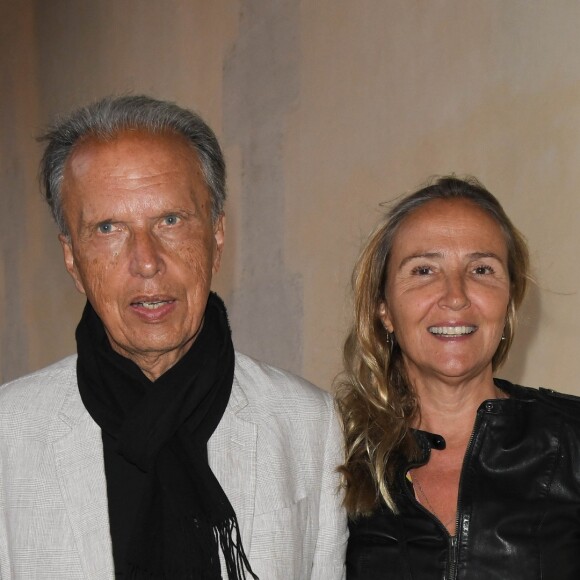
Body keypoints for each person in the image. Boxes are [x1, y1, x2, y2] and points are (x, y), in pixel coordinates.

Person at [0, 95, 347, 580]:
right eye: (108, 228)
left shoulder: (309, 425)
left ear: (217, 236)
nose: (146, 260)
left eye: (170, 220)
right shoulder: (9, 434)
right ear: (72, 260)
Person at [336, 176, 580, 579]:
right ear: (384, 309)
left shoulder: (572, 438)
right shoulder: (334, 456)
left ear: (509, 301)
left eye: (482, 269)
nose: (455, 296)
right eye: (424, 270)